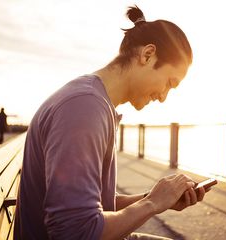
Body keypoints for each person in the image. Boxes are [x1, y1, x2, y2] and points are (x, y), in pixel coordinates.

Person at [15, 5, 209, 240]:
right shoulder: (84, 108)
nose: (163, 96)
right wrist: (152, 204)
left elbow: (98, 205)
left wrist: (158, 198)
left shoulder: (93, 102)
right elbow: (76, 232)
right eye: (169, 82)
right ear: (147, 55)